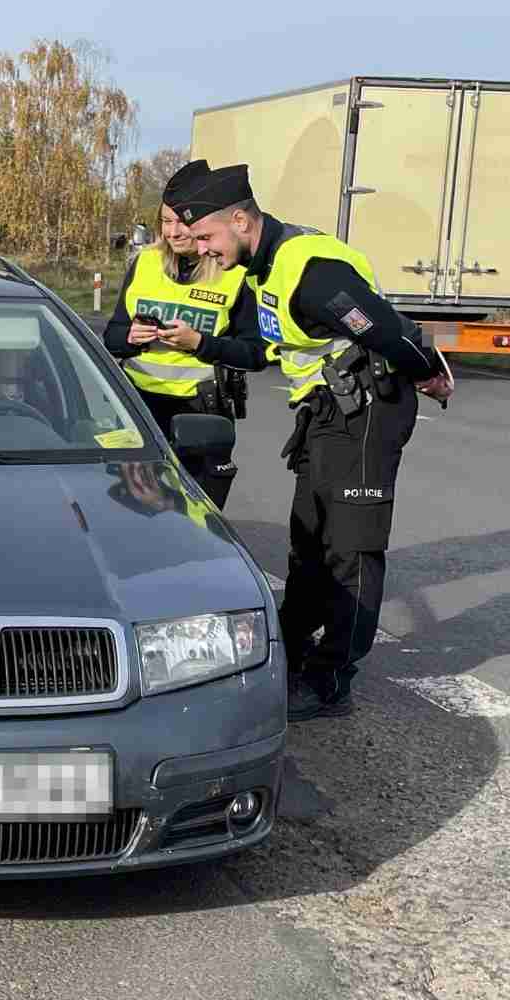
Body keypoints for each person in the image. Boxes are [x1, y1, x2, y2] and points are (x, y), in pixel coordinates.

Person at [176, 165, 455, 722]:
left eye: (206, 237)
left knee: (350, 549)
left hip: (367, 410)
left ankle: (332, 680)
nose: (203, 250)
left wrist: (430, 372)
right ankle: (292, 652)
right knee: (308, 543)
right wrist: (203, 344)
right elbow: (264, 352)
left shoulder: (311, 270)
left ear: (239, 219)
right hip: (327, 413)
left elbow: (385, 328)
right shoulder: (265, 270)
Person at [103, 159, 267, 509]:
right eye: (165, 221)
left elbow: (256, 354)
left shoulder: (235, 271)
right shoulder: (144, 263)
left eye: (183, 222)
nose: (173, 232)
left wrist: (201, 344)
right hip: (139, 407)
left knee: (197, 516)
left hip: (202, 412)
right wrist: (132, 337)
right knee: (139, 512)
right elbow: (112, 338)